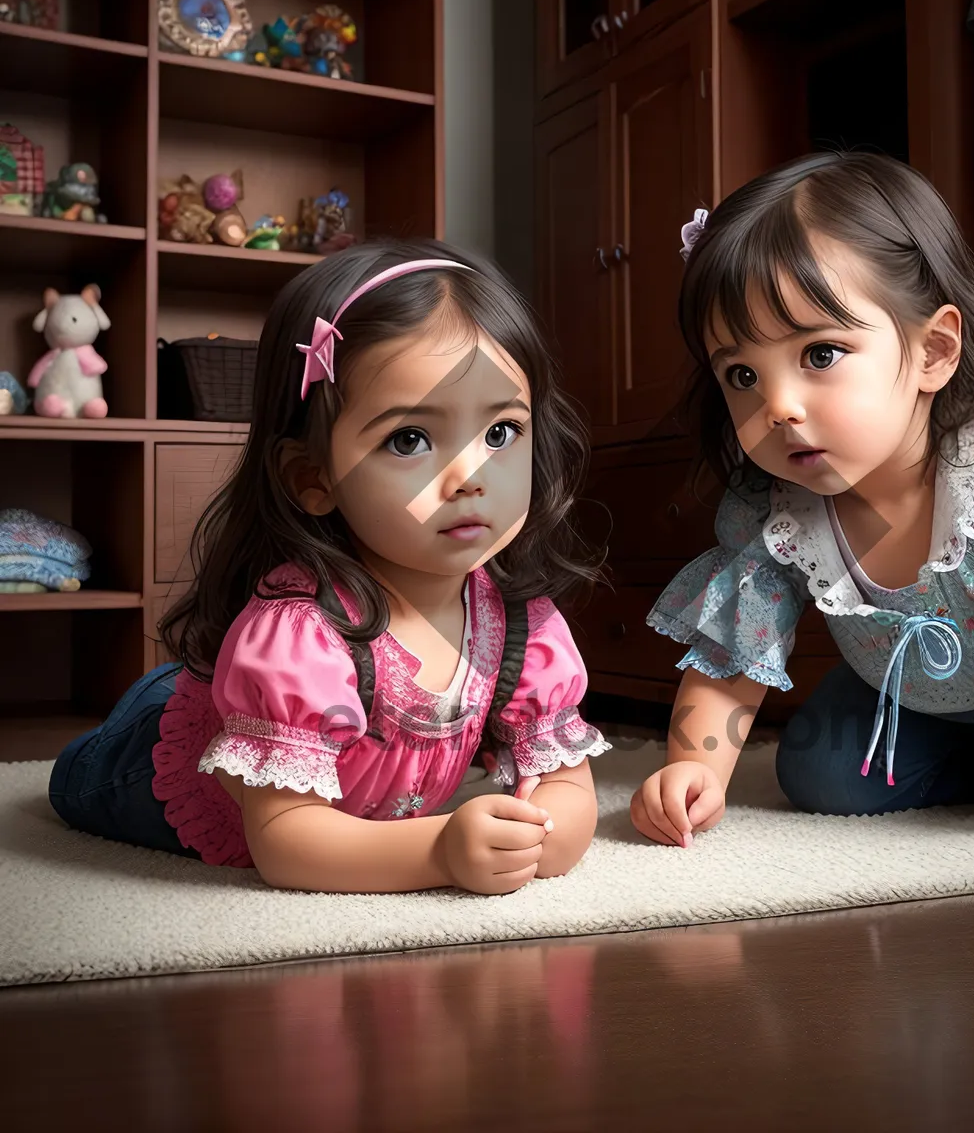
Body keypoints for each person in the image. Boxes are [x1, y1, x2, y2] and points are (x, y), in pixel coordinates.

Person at [631, 152, 974, 846]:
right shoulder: (773, 506)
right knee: (819, 778)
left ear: (933, 351)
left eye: (819, 355)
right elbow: (728, 664)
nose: (777, 406)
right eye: (742, 372)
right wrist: (694, 770)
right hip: (911, 698)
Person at [50, 241, 611, 893]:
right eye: (410, 439)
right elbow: (288, 842)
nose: (472, 477)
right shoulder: (302, 635)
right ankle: (123, 726)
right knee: (70, 782)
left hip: (253, 696)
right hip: (146, 760)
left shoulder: (522, 623)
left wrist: (543, 830)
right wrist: (439, 850)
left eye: (501, 432)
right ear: (312, 476)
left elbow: (568, 785)